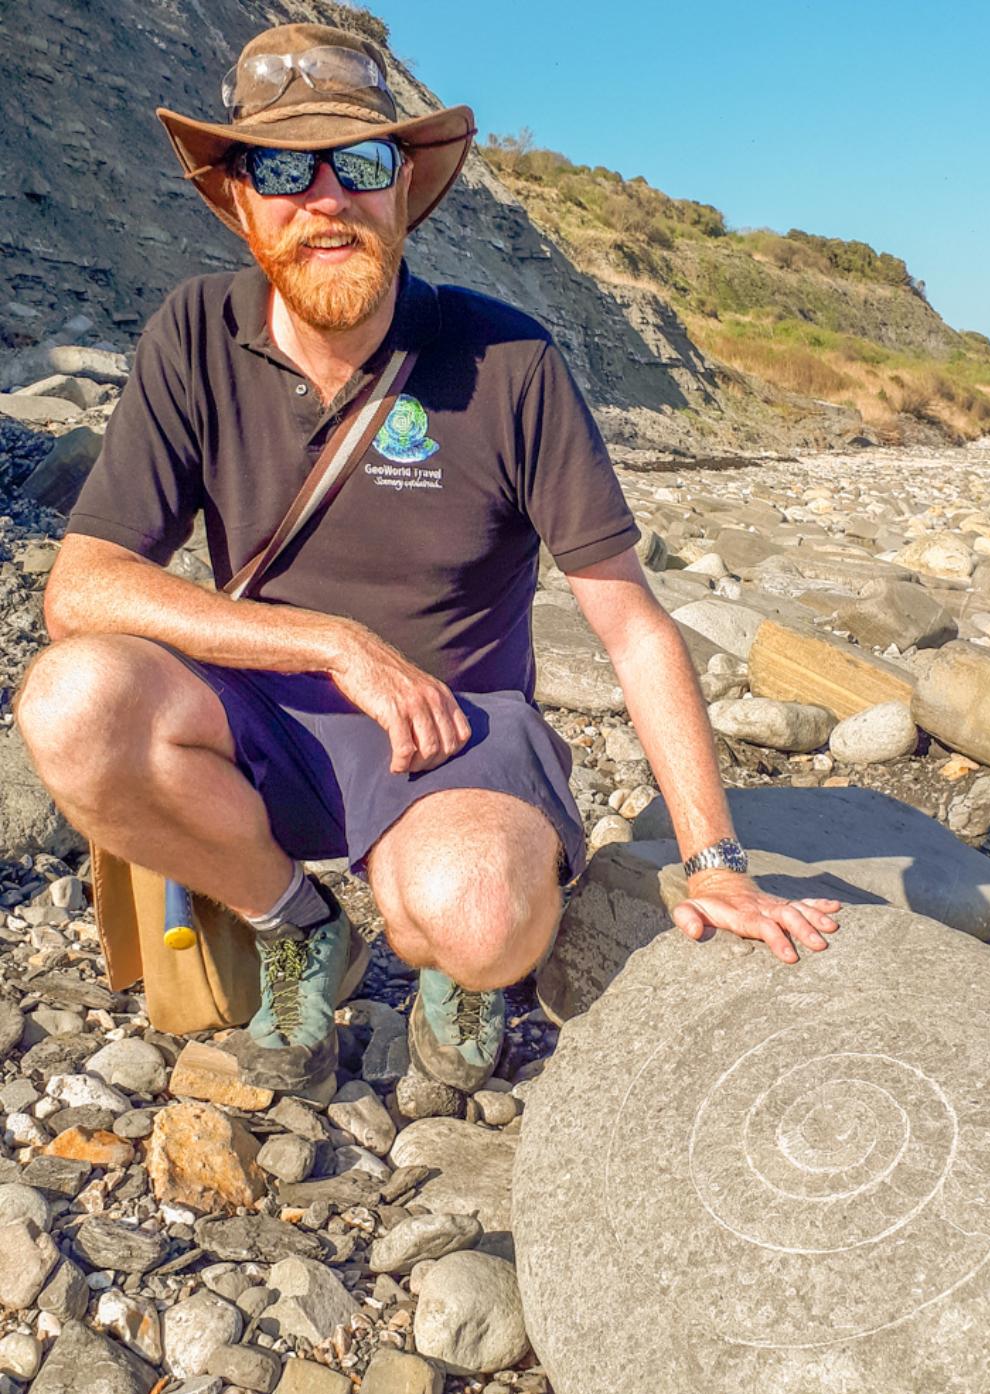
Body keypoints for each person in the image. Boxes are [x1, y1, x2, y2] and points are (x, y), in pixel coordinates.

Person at [14, 22, 840, 1095]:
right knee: (72, 702)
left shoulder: (508, 360)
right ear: (238, 198)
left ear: (403, 188)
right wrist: (330, 642)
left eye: (359, 166)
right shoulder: (193, 332)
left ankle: (456, 951)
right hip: (262, 721)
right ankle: (298, 925)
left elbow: (630, 622)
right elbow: (81, 586)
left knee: (478, 917)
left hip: (457, 736)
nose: (326, 201)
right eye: (281, 169)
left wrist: (716, 863)